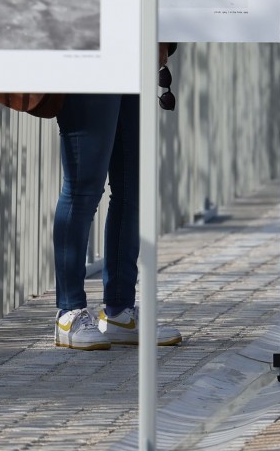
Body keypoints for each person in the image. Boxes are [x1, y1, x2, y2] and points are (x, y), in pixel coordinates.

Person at [46, 80, 181, 350]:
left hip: (132, 60)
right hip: (91, 57)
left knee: (133, 189)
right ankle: (68, 312)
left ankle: (119, 313)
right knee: (83, 188)